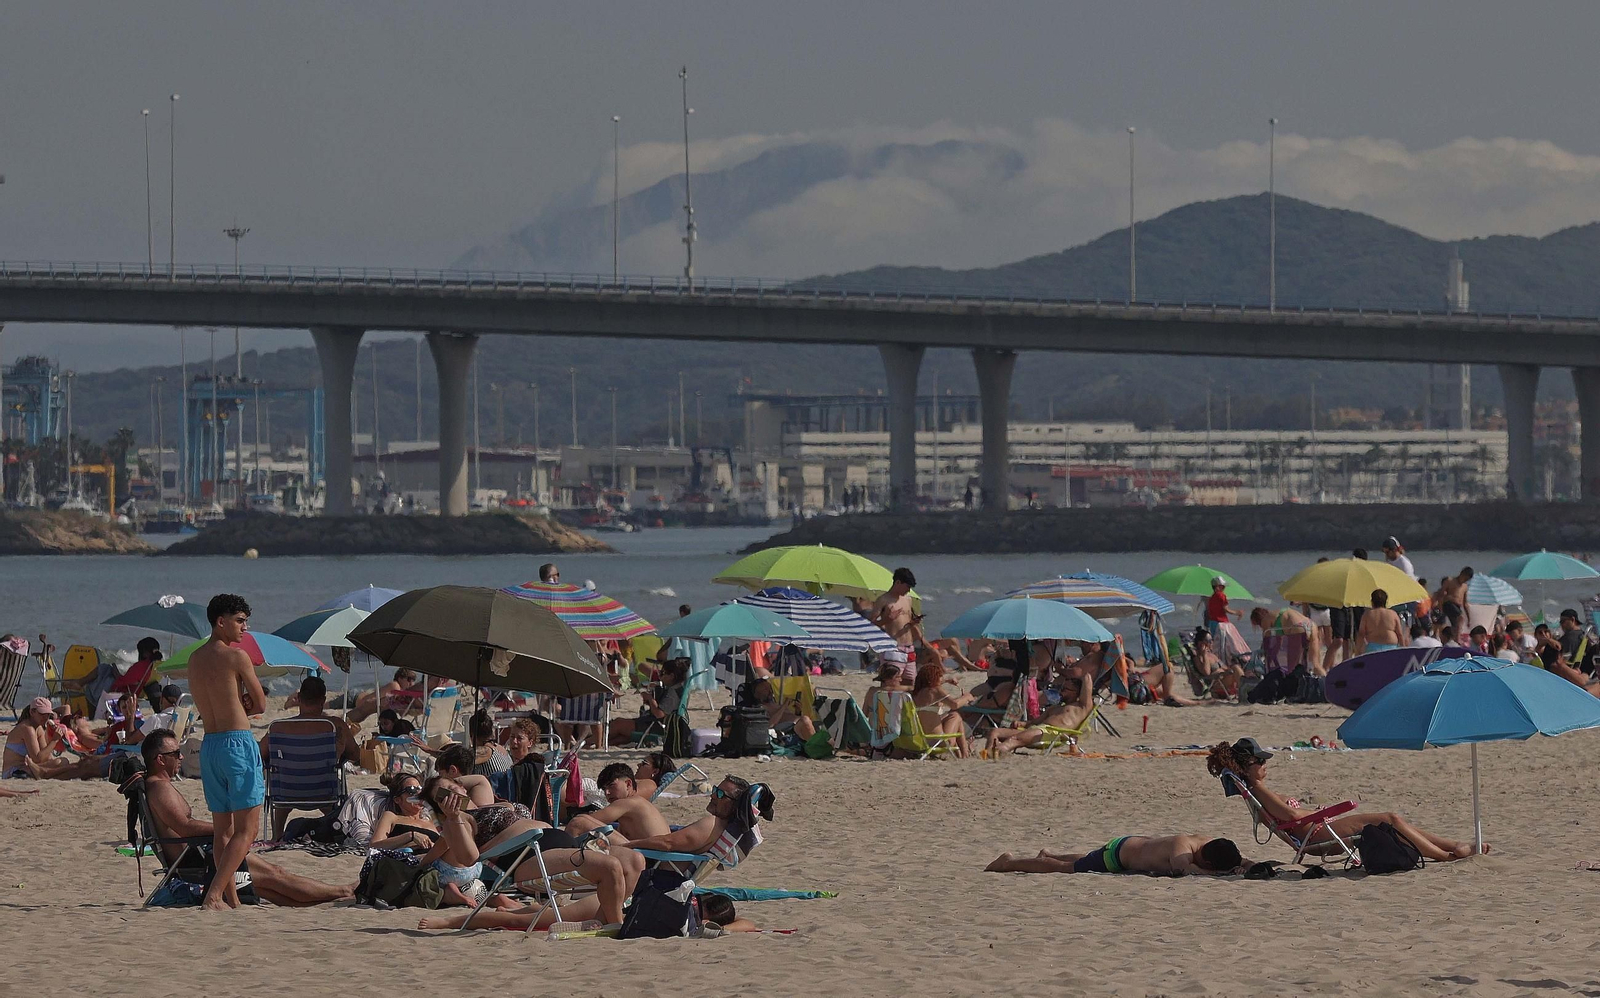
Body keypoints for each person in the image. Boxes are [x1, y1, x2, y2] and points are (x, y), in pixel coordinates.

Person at [139, 729, 355, 906]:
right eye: (176, 753)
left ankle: (335, 897)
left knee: (267, 885)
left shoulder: (157, 786)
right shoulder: (160, 788)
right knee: (274, 874)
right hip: (199, 858)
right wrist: (226, 832)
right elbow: (184, 827)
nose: (182, 756)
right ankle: (343, 891)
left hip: (197, 854)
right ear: (160, 759)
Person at [1207, 737, 1482, 860]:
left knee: (1390, 822)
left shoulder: (1257, 790)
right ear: (1246, 766)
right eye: (1260, 761)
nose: (1265, 765)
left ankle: (1453, 845)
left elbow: (1287, 817)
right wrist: (1318, 814)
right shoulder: (1258, 790)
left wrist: (1313, 813)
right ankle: (1446, 856)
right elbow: (1290, 818)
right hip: (1315, 835)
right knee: (1390, 819)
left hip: (1316, 828)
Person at [421, 775, 645, 925]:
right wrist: (453, 815)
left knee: (634, 860)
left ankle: (603, 918)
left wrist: (453, 781)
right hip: (528, 855)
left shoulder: (484, 803)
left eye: (452, 788)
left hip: (560, 842)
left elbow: (479, 780)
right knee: (610, 867)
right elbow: (470, 857)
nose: (450, 795)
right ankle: (617, 929)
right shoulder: (459, 822)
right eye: (442, 796)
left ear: (462, 786)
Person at [187, 593, 268, 911]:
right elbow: (260, 705)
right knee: (248, 830)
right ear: (221, 621)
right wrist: (244, 703)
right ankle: (215, 894)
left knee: (223, 831)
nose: (245, 628)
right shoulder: (237, 657)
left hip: (210, 745)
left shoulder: (195, 658)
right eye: (240, 621)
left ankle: (231, 899)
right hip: (236, 743)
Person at [985, 834, 1245, 876]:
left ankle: (1051, 852)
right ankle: (1009, 862)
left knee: (1084, 859)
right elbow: (1184, 870)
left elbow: (1236, 858)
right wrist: (1216, 874)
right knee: (1064, 869)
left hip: (1126, 845)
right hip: (1116, 858)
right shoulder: (1182, 852)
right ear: (1207, 861)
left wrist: (1247, 865)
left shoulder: (1204, 842)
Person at [982, 664, 1094, 757]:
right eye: (1061, 688)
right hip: (1037, 730)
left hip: (1051, 734)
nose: (1061, 691)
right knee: (994, 732)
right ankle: (986, 756)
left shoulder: (1081, 707)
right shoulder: (1055, 708)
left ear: (1076, 692)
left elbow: (1087, 677)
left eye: (1065, 689)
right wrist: (1022, 723)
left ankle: (995, 752)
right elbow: (1034, 722)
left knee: (1014, 739)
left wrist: (1069, 670)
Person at [3, 697, 111, 779]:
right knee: (66, 766)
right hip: (14, 771)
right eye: (42, 714)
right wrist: (54, 740)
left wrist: (52, 737)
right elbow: (38, 758)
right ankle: (50, 772)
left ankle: (47, 771)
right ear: (32, 712)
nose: (45, 718)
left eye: (47, 715)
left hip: (29, 767)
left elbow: (46, 757)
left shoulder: (39, 728)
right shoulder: (27, 728)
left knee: (62, 761)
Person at [565, 762, 673, 840]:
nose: (607, 793)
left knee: (577, 823)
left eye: (611, 786)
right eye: (604, 789)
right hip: (657, 856)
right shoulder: (637, 804)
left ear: (628, 784)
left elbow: (583, 822)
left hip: (654, 858)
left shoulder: (628, 803)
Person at [910, 661, 974, 758]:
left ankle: (962, 754)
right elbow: (955, 704)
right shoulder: (935, 690)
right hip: (939, 741)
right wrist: (967, 696)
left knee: (950, 716)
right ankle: (964, 754)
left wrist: (947, 680)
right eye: (940, 676)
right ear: (934, 678)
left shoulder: (914, 693)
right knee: (955, 715)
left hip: (918, 740)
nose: (942, 678)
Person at [870, 568, 926, 675]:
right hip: (893, 647)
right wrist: (887, 619)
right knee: (891, 682)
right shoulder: (883, 600)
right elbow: (870, 624)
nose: (908, 590)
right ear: (898, 582)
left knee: (910, 683)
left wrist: (914, 622)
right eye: (907, 586)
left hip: (909, 647)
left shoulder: (908, 599)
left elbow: (908, 621)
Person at [1250, 605, 1320, 676]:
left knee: (1292, 666)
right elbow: (1277, 643)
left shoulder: (1265, 620)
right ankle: (1325, 682)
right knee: (1316, 665)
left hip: (1297, 627)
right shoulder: (1276, 614)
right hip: (1311, 625)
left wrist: (1269, 660)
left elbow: (1268, 643)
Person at [347, 668, 422, 724]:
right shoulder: (395, 685)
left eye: (413, 680)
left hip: (358, 699)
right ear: (400, 678)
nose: (411, 683)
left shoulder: (399, 693)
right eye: (409, 679)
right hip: (353, 698)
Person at [1354, 589, 1407, 655]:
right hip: (1391, 647)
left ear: (1372, 601)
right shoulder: (1392, 614)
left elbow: (1361, 634)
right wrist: (1404, 649)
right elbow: (1399, 634)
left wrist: (1357, 651)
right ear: (1386, 601)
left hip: (1373, 648)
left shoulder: (1367, 615)